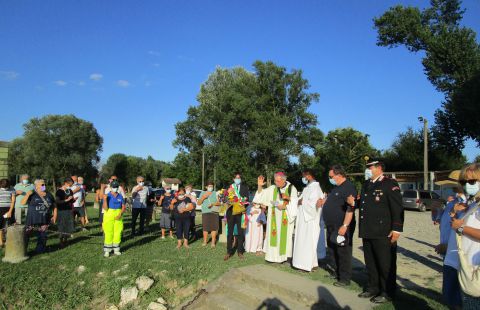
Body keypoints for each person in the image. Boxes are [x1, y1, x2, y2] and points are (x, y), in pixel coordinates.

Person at [357, 159, 404, 304]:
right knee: (370, 262)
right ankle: (373, 287)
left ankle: (387, 291)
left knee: (385, 264)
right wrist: (354, 202)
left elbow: (397, 208)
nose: (367, 170)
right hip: (368, 230)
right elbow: (365, 204)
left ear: (379, 168)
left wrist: (397, 229)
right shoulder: (366, 184)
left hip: (383, 231)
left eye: (370, 167)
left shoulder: (389, 183)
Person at [320, 165, 357, 286]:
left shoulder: (349, 187)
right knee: (332, 249)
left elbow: (350, 209)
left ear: (339, 175)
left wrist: (345, 225)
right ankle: (336, 272)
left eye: (331, 176)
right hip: (331, 225)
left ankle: (345, 278)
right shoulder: (336, 187)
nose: (330, 178)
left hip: (341, 225)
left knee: (343, 251)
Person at [450, 163, 480, 309]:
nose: (468, 185)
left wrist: (461, 227)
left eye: (472, 181)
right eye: (464, 182)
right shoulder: (474, 203)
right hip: (468, 266)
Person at [254, 172, 298, 264]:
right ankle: (272, 257)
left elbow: (295, 202)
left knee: (283, 238)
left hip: (285, 216)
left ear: (284, 180)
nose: (276, 183)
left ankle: (282, 258)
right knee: (273, 236)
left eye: (278, 181)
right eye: (275, 181)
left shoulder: (291, 188)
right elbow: (261, 196)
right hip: (273, 217)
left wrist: (285, 206)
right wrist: (259, 186)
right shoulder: (273, 188)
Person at [436, 187, 466, 310]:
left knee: (458, 293)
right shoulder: (452, 203)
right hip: (448, 251)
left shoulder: (467, 204)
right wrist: (435, 210)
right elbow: (441, 221)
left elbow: (462, 229)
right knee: (450, 292)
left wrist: (448, 245)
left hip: (456, 252)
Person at [292, 169, 325, 272]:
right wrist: (298, 201)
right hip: (303, 219)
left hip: (310, 220)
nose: (303, 178)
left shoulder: (315, 188)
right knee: (303, 240)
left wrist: (302, 202)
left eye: (304, 176)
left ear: (310, 176)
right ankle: (312, 263)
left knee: (308, 241)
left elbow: (314, 205)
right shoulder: (307, 188)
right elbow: (299, 200)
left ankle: (305, 264)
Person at [22, 179, 56, 254]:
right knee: (27, 235)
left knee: (43, 236)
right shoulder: (32, 194)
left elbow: (54, 206)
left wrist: (54, 216)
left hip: (44, 219)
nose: (44, 186)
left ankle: (40, 250)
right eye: (42, 185)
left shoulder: (49, 194)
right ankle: (23, 250)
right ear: (36, 186)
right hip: (32, 219)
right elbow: (23, 202)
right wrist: (27, 194)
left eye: (44, 184)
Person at [224, 173, 250, 261]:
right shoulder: (229, 187)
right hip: (231, 213)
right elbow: (225, 199)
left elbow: (247, 200)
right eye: (236, 178)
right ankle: (229, 252)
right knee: (229, 233)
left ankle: (240, 251)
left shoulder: (245, 188)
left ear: (241, 179)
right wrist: (228, 201)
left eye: (239, 178)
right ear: (233, 178)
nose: (237, 179)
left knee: (240, 233)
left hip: (240, 213)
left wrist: (243, 205)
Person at [102, 180, 125, 257]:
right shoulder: (107, 195)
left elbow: (123, 206)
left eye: (116, 187)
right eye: (113, 187)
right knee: (109, 231)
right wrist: (105, 199)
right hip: (109, 214)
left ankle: (116, 249)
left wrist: (120, 214)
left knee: (118, 232)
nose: (115, 188)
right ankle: (107, 250)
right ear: (111, 187)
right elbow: (105, 208)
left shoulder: (120, 196)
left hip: (118, 214)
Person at [55, 177, 76, 248]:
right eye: (70, 185)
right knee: (62, 226)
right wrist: (66, 200)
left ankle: (66, 240)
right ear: (66, 183)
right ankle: (61, 241)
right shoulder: (59, 191)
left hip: (69, 210)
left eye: (72, 185)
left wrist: (73, 200)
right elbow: (57, 202)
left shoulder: (70, 191)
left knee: (68, 225)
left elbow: (71, 200)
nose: (71, 186)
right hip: (61, 211)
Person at [198, 181, 220, 248]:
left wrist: (213, 204)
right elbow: (198, 203)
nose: (211, 187)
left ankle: (213, 242)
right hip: (205, 212)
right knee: (205, 228)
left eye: (212, 186)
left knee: (214, 228)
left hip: (214, 212)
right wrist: (203, 197)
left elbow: (219, 203)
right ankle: (205, 241)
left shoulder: (215, 193)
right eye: (209, 186)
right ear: (206, 187)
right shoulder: (202, 193)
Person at [0, 179, 15, 247]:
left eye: (6, 187)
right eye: (3, 187)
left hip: (9, 208)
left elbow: (13, 200)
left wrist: (10, 211)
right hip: (0, 208)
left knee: (9, 225)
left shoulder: (12, 189)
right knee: (0, 226)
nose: (5, 189)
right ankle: (1, 242)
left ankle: (8, 240)